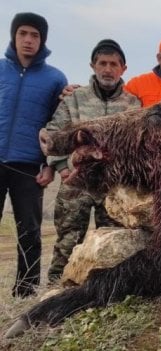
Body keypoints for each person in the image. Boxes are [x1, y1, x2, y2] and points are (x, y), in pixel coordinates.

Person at [43, 39, 141, 283]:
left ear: (123, 69)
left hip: (113, 187)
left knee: (114, 244)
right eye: (102, 63)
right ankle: (55, 290)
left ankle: (107, 292)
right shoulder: (73, 99)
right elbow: (54, 134)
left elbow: (137, 146)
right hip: (75, 184)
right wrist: (63, 167)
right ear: (92, 66)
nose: (107, 69)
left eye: (113, 64)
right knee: (67, 242)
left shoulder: (133, 105)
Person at [0, 12, 66, 297]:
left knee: (29, 231)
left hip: (29, 167)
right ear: (14, 36)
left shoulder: (55, 79)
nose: (28, 40)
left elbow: (57, 128)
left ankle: (25, 292)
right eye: (23, 33)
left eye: (35, 35)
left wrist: (50, 166)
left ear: (43, 41)